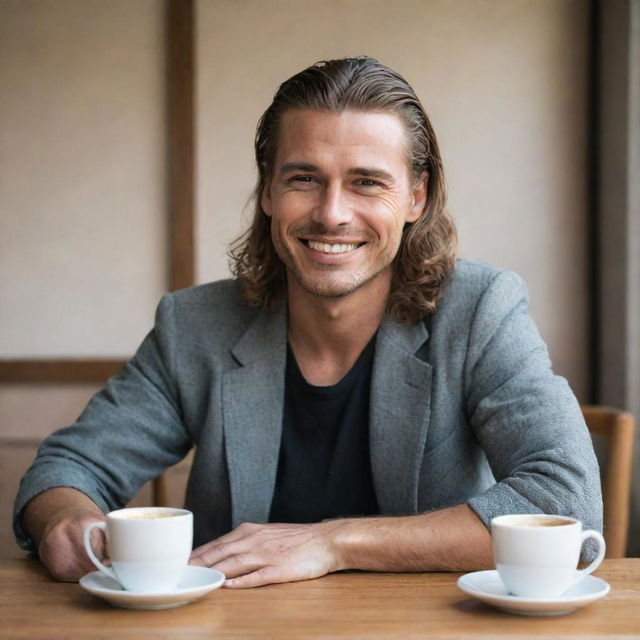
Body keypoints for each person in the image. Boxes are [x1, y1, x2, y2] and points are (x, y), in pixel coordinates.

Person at [14, 57, 602, 589]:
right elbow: (70, 468)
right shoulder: (195, 325)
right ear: (268, 190)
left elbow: (567, 499)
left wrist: (331, 542)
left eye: (367, 182)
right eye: (303, 179)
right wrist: (66, 520)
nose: (332, 213)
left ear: (417, 198)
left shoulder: (481, 311)